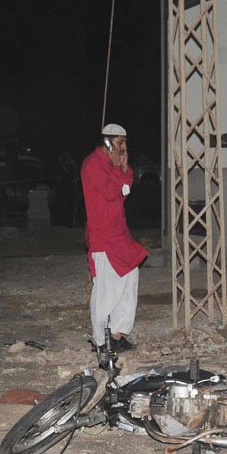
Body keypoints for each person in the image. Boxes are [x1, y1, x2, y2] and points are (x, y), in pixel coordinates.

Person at [82, 123, 147, 353]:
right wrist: (119, 170)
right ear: (108, 141)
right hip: (103, 236)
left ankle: (118, 333)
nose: (124, 147)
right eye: (120, 142)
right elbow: (111, 192)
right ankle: (100, 341)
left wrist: (123, 169)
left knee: (130, 277)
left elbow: (126, 187)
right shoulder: (93, 164)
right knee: (107, 289)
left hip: (119, 233)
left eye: (125, 142)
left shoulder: (114, 164)